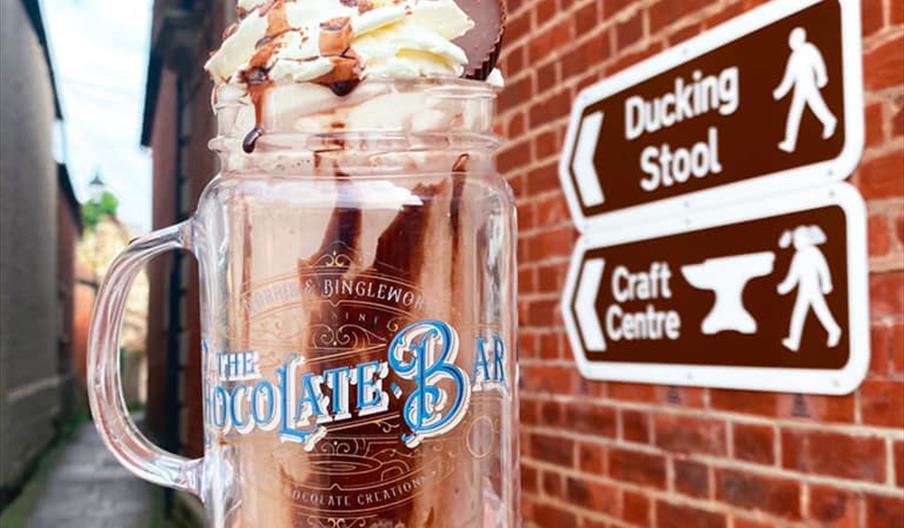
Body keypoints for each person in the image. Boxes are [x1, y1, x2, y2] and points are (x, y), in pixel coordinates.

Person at [776, 225, 841, 352]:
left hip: (813, 289)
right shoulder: (798, 256)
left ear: (807, 239)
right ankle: (794, 341)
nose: (795, 243)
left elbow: (823, 269)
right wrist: (784, 287)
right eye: (794, 240)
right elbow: (793, 275)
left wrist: (827, 283)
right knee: (799, 313)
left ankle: (834, 330)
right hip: (804, 290)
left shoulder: (814, 252)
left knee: (821, 311)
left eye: (798, 240)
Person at [773, 27, 837, 153]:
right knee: (797, 111)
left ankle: (830, 121)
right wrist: (779, 92)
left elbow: (818, 62)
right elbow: (789, 77)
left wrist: (822, 76)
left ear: (800, 38)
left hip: (809, 85)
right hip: (800, 88)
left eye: (793, 38)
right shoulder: (793, 57)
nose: (791, 42)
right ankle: (790, 142)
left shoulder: (809, 49)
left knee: (814, 106)